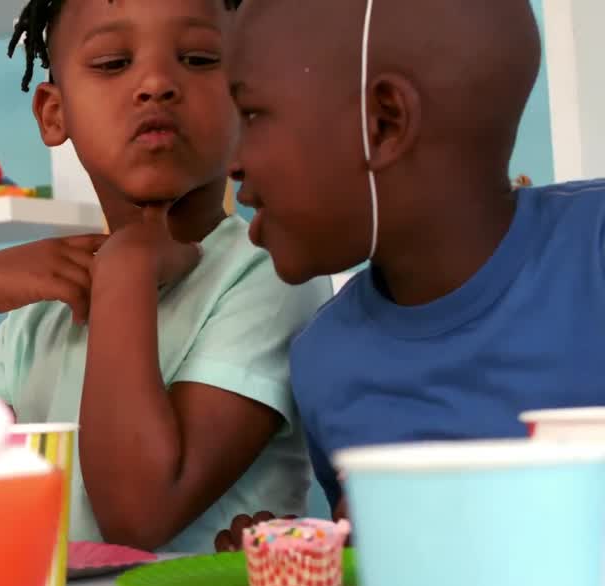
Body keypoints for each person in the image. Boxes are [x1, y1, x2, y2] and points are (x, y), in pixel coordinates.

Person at [0, 0, 331, 552]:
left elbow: (138, 515)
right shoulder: (35, 314)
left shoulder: (270, 274)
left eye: (198, 57)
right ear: (53, 113)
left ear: (243, 95)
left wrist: (126, 269)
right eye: (114, 62)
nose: (157, 82)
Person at [213, 0, 597, 550]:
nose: (233, 162)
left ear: (384, 121)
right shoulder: (326, 361)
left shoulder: (596, 254)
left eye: (251, 115)